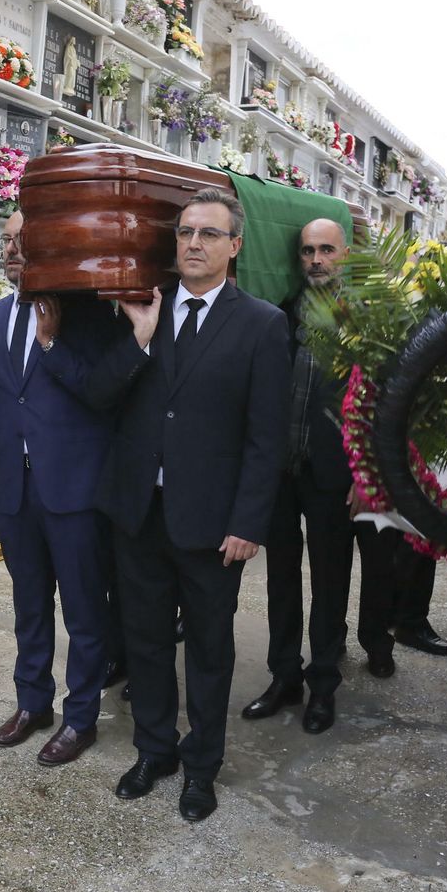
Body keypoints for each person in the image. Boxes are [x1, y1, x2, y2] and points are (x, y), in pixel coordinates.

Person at [86, 186, 290, 821]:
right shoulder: (141, 308)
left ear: (234, 246)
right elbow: (98, 397)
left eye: (208, 234)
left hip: (212, 527)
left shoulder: (262, 323)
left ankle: (202, 765)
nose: (193, 244)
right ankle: (156, 749)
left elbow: (267, 437)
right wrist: (140, 341)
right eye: (184, 233)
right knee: (144, 643)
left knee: (208, 650)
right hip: (139, 516)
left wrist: (248, 522)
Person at [0, 210, 121, 766]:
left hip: (75, 492)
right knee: (29, 605)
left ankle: (80, 718)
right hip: (16, 493)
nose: (11, 251)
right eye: (5, 242)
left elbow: (103, 396)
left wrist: (51, 344)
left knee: (82, 609)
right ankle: (33, 703)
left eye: (24, 240)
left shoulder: (92, 316)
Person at [242, 217, 371, 735]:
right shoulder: (278, 313)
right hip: (281, 469)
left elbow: (381, 406)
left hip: (333, 473)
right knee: (279, 579)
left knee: (331, 578)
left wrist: (366, 475)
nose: (316, 260)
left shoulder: (366, 319)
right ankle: (283, 677)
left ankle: (323, 685)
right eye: (307, 251)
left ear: (344, 254)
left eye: (326, 250)